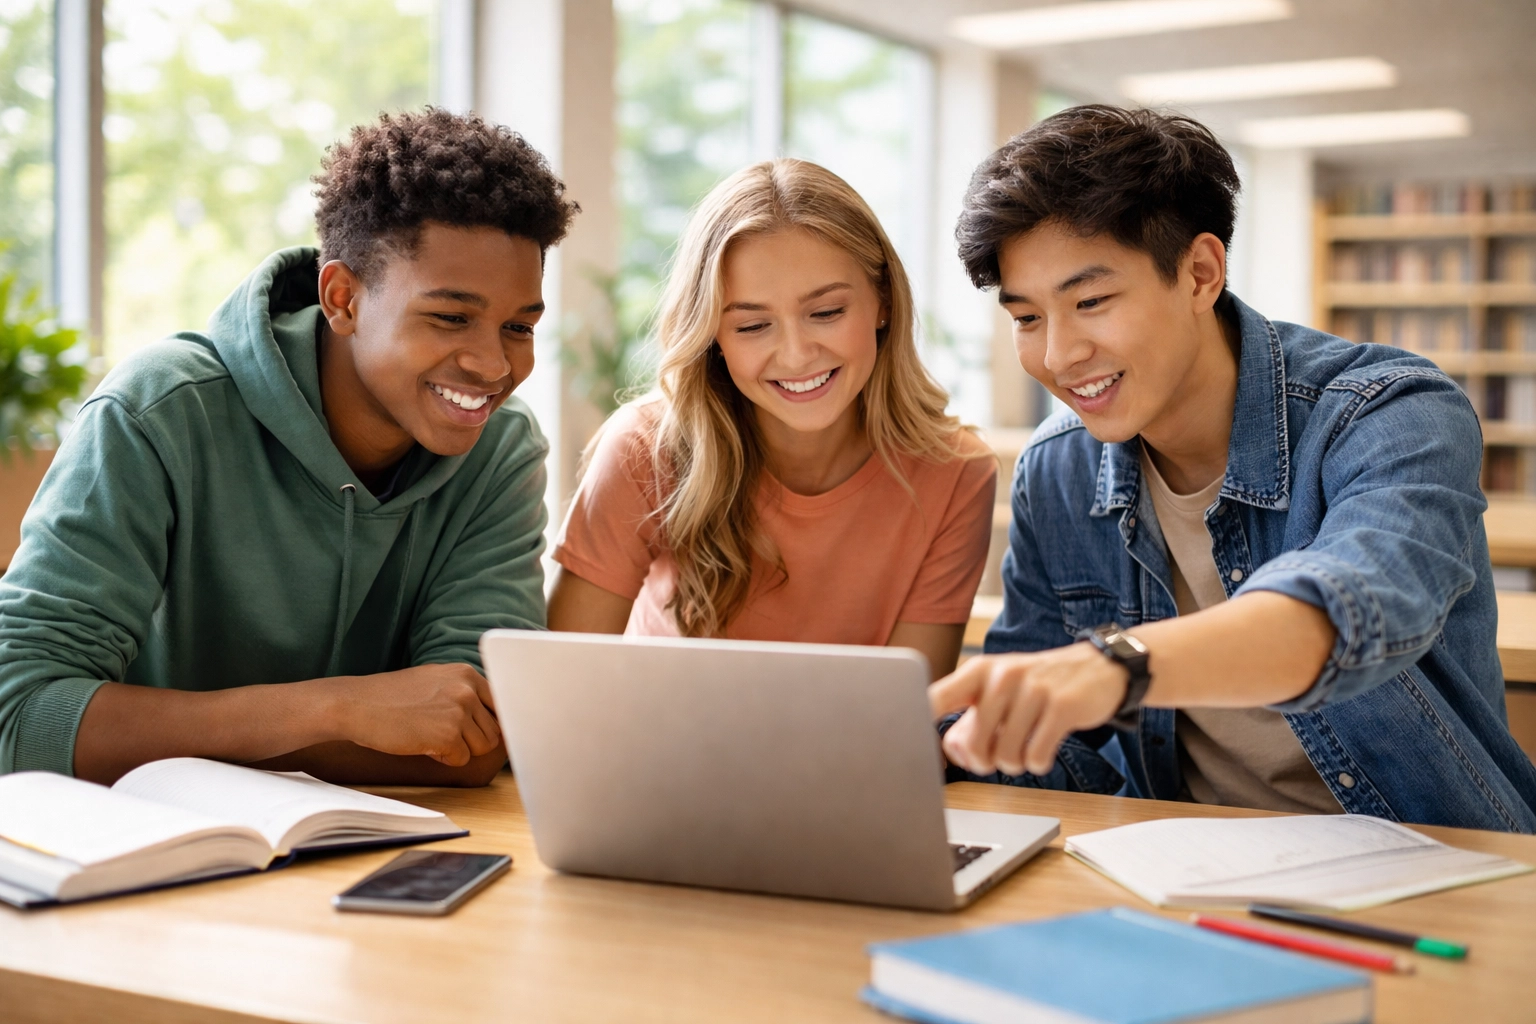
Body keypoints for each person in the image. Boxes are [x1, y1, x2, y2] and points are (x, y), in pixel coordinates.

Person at [930, 104, 1536, 832]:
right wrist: (935, 746)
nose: (1057, 357)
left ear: (1200, 272)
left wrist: (1115, 665)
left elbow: (1344, 608)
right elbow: (1055, 745)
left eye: (1090, 301)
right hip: (1182, 871)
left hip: (1440, 862)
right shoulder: (1058, 470)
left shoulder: (1391, 412)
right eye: (1027, 318)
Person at [0, 109, 576, 786]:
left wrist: (156, 735)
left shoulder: (499, 450)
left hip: (377, 853)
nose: (491, 365)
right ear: (343, 299)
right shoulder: (158, 413)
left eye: (517, 326)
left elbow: (475, 738)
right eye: (451, 317)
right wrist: (336, 711)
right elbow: (21, 718)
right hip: (141, 859)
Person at [547, 159, 995, 677]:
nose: (796, 355)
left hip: (849, 760)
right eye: (753, 325)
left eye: (826, 313)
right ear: (711, 335)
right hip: (659, 756)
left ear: (884, 303)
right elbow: (560, 687)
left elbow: (909, 713)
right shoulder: (642, 450)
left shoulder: (956, 472)